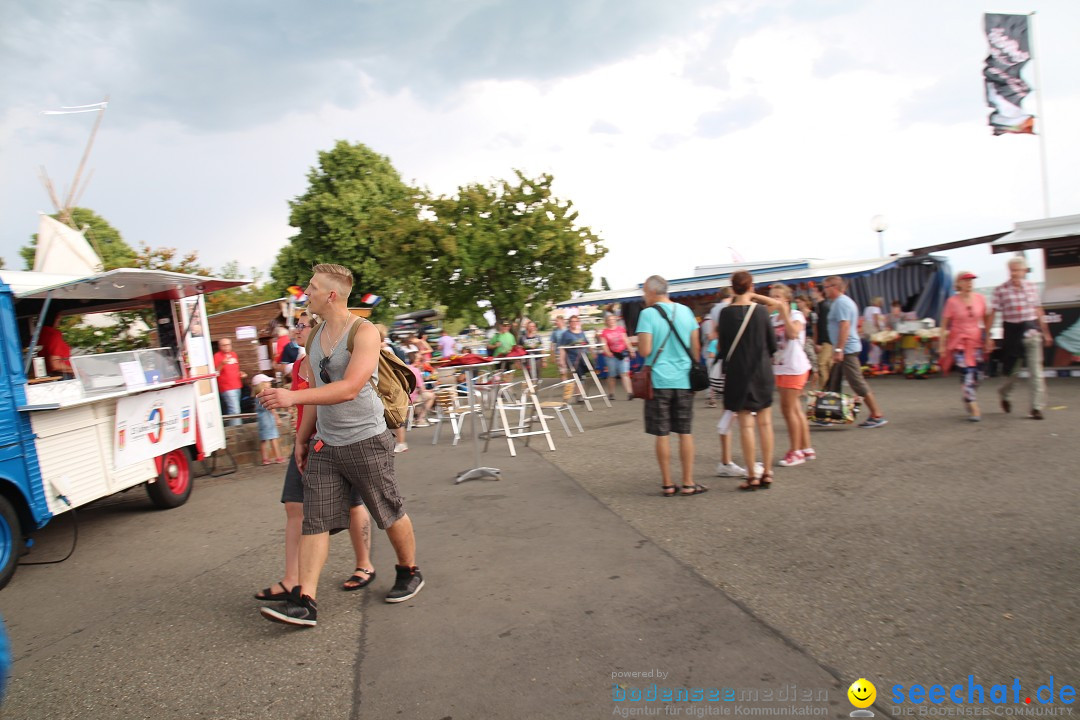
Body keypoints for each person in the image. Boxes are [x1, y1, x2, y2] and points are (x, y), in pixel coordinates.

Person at [257, 263, 423, 626]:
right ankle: (305, 601)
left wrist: (290, 398)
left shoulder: (363, 332)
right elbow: (318, 395)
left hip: (366, 439)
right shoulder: (315, 338)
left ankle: (409, 570)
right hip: (326, 445)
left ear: (331, 295)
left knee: (388, 510)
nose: (307, 293)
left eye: (313, 288)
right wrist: (302, 440)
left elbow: (348, 389)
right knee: (314, 520)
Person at [253, 318, 376, 603]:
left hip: (341, 440)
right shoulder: (300, 365)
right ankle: (291, 580)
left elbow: (345, 394)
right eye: (297, 324)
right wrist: (300, 440)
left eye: (304, 325)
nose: (297, 329)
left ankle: (364, 564)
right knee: (295, 506)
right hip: (306, 442)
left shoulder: (334, 361)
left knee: (355, 504)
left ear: (322, 330)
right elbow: (305, 405)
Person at [635, 275, 703, 497]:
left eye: (645, 292)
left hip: (658, 381)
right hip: (684, 380)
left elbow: (645, 351)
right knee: (685, 432)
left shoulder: (647, 315)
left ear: (653, 292)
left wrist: (635, 344)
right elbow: (696, 348)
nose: (644, 297)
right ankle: (688, 483)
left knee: (662, 433)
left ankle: (667, 484)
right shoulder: (686, 312)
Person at [718, 271, 777, 490]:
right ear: (751, 286)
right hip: (761, 371)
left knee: (746, 426)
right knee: (765, 423)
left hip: (737, 373)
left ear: (732, 288)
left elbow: (723, 348)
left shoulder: (725, 314)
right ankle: (768, 472)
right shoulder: (762, 312)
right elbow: (772, 344)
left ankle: (752, 475)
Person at [987, 256, 1052, 420]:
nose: (1014, 273)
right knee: (1013, 373)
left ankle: (1036, 407)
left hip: (1031, 331)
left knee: (1036, 371)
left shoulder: (1031, 287)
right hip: (1012, 332)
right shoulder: (1001, 290)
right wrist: (987, 335)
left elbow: (1038, 310)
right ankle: (1004, 393)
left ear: (1024, 271)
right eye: (1012, 270)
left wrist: (1046, 332)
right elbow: (992, 312)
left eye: (1017, 270)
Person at [824, 275, 888, 428]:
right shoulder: (841, 302)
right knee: (833, 381)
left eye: (825, 287)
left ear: (833, 287)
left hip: (847, 349)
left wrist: (839, 349)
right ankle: (829, 414)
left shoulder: (841, 303)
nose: (824, 290)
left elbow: (844, 326)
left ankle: (876, 414)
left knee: (856, 382)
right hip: (844, 348)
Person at [769, 284, 814, 467]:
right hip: (780, 367)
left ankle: (795, 451)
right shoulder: (772, 319)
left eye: (778, 296)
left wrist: (784, 312)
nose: (774, 299)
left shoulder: (796, 315)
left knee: (788, 411)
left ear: (786, 299)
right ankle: (806, 448)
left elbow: (793, 334)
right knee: (795, 409)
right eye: (772, 296)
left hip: (793, 368)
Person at [939, 271, 988, 422]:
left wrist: (989, 337)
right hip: (959, 342)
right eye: (966, 280)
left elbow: (986, 319)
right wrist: (942, 345)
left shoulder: (980, 299)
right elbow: (944, 326)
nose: (969, 283)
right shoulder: (952, 302)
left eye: (971, 280)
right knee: (967, 373)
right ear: (958, 283)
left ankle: (968, 396)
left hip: (976, 342)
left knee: (978, 376)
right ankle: (974, 407)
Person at [252, 374, 287, 464]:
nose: (269, 384)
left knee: (263, 439)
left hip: (261, 419)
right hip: (268, 418)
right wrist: (277, 418)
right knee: (273, 437)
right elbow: (271, 408)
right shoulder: (265, 395)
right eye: (267, 382)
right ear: (262, 384)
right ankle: (278, 457)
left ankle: (265, 459)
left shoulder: (257, 396)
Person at [599, 314, 634, 400]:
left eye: (613, 320)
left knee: (625, 373)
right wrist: (607, 352)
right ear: (607, 322)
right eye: (609, 320)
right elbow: (604, 344)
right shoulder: (604, 332)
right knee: (612, 375)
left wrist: (631, 350)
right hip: (611, 355)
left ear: (615, 321)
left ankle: (629, 392)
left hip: (622, 354)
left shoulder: (620, 329)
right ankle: (611, 393)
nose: (611, 321)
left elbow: (626, 340)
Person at [214, 337, 246, 427]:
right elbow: (216, 372)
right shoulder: (217, 356)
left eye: (228, 344)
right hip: (227, 387)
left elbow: (234, 369)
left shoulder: (234, 354)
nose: (226, 347)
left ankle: (231, 428)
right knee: (235, 410)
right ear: (220, 346)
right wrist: (222, 364)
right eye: (224, 345)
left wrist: (240, 373)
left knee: (235, 409)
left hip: (237, 385)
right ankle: (236, 431)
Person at [559, 316, 590, 402]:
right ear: (569, 323)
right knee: (578, 376)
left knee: (583, 376)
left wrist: (593, 353)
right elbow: (562, 348)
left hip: (583, 357)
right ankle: (579, 395)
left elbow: (587, 343)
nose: (574, 323)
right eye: (572, 321)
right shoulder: (566, 334)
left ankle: (580, 394)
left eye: (576, 321)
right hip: (573, 358)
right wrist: (561, 360)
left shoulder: (581, 333)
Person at [35, 312, 74, 378]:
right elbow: (55, 365)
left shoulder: (37, 335)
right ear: (56, 318)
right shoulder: (54, 334)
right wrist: (77, 370)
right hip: (61, 376)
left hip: (45, 377)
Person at [810, 284, 833, 390]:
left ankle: (825, 389)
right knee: (827, 364)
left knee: (822, 364)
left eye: (814, 290)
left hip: (826, 340)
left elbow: (823, 325)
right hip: (826, 339)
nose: (812, 292)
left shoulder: (824, 306)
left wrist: (818, 342)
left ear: (820, 292)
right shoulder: (819, 306)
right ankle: (829, 388)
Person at [859, 297, 886, 370]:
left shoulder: (867, 308)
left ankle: (866, 361)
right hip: (872, 327)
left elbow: (864, 318)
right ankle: (874, 362)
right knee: (875, 345)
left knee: (867, 345)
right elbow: (876, 319)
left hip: (866, 326)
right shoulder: (876, 309)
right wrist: (879, 329)